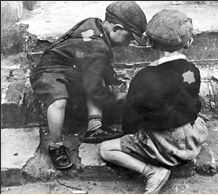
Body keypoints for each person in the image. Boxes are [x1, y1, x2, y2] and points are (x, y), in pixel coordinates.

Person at [100, 9, 209, 194]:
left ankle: (152, 172)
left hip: (162, 147)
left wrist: (132, 136)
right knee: (199, 120)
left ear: (149, 43)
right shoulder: (191, 71)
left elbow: (130, 120)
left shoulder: (143, 78)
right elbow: (191, 98)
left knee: (105, 149)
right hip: (189, 142)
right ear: (189, 42)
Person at [30, 1, 147, 170]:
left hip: (71, 69)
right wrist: (116, 98)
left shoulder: (94, 25)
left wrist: (114, 80)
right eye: (129, 37)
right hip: (48, 71)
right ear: (116, 28)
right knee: (59, 101)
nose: (129, 43)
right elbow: (95, 86)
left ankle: (94, 128)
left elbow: (99, 65)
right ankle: (55, 145)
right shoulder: (97, 46)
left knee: (95, 77)